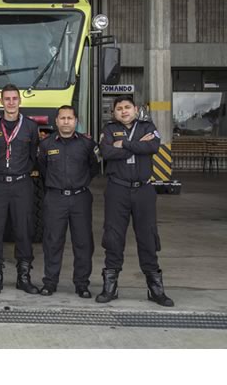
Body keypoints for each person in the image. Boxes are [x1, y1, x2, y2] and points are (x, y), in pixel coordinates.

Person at [97, 95, 174, 307]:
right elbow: (107, 152)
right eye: (119, 108)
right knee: (113, 237)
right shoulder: (109, 130)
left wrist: (125, 144)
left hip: (143, 191)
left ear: (136, 109)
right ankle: (110, 286)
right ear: (114, 112)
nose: (123, 111)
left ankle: (155, 288)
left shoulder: (147, 126)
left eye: (127, 107)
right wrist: (137, 146)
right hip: (117, 190)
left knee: (148, 237)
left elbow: (153, 147)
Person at [36, 105, 100, 298]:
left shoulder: (87, 144)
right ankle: (50, 282)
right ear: (56, 121)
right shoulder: (46, 144)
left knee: (83, 242)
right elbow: (42, 169)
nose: (66, 122)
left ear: (75, 121)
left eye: (69, 118)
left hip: (80, 198)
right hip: (55, 198)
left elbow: (94, 168)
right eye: (62, 118)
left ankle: (82, 284)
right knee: (52, 241)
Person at [0, 83, 40, 294]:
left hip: (21, 183)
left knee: (24, 230)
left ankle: (23, 277)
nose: (11, 102)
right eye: (7, 99)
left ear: (20, 101)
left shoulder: (31, 127)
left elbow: (34, 154)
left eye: (14, 98)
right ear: (1, 101)